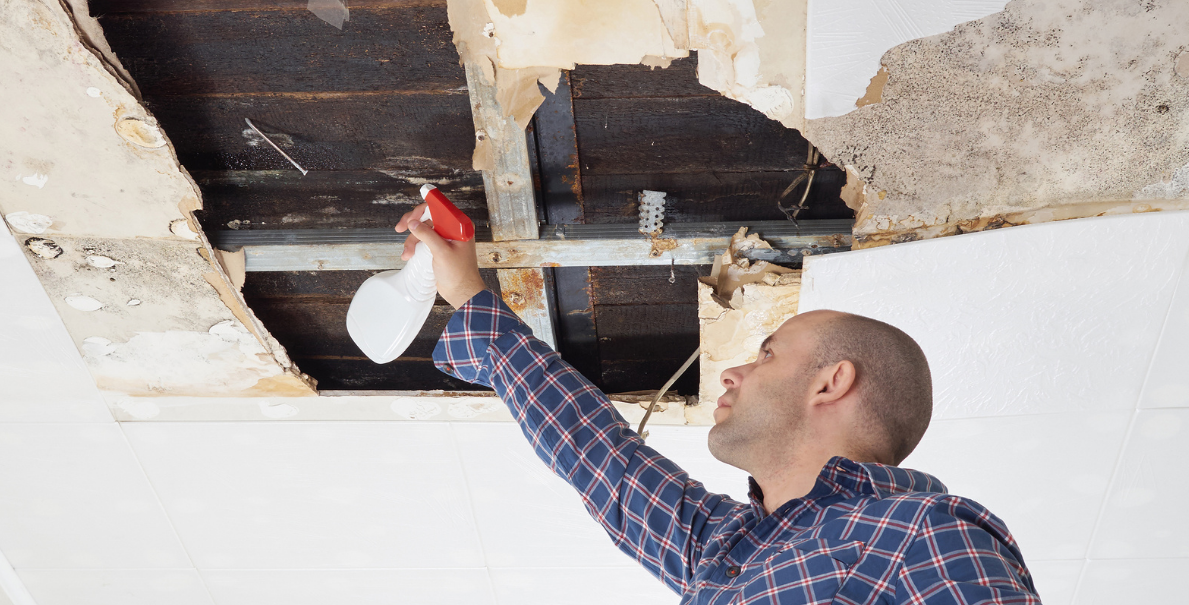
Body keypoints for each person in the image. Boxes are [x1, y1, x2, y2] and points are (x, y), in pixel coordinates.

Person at [396, 205, 1042, 605]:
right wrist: (472, 297)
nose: (732, 371)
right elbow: (602, 457)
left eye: (766, 353)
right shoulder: (726, 549)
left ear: (831, 382)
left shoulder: (924, 535)